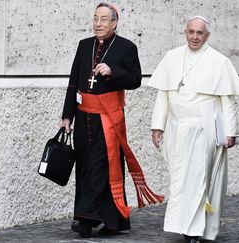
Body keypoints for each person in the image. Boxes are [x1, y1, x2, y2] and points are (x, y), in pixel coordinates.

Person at [60, 2, 163, 238]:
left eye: (104, 19)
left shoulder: (127, 47)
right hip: (83, 117)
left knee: (99, 166)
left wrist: (113, 71)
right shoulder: (84, 45)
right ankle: (114, 220)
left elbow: (135, 79)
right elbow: (73, 82)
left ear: (114, 23)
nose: (98, 23)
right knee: (87, 167)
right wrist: (67, 115)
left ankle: (85, 220)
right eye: (95, 18)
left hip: (108, 119)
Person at [149, 16, 239, 243]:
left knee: (199, 180)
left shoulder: (219, 61)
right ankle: (183, 224)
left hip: (204, 130)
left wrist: (230, 132)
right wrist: (157, 126)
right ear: (185, 32)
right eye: (191, 32)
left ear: (207, 35)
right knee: (179, 180)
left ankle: (194, 230)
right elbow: (163, 95)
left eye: (199, 33)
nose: (194, 37)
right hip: (176, 128)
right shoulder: (172, 57)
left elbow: (227, 102)